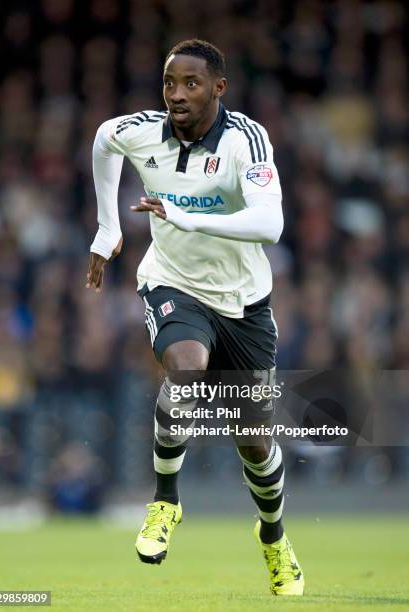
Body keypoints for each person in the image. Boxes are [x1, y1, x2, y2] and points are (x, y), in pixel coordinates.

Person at [87, 39, 304, 596]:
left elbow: (269, 224)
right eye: (169, 83)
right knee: (184, 375)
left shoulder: (246, 140)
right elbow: (104, 139)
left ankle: (274, 537)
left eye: (191, 83)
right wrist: (107, 227)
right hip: (172, 284)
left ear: (218, 88)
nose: (177, 94)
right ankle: (166, 500)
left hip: (244, 301)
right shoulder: (143, 131)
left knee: (253, 440)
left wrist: (188, 217)